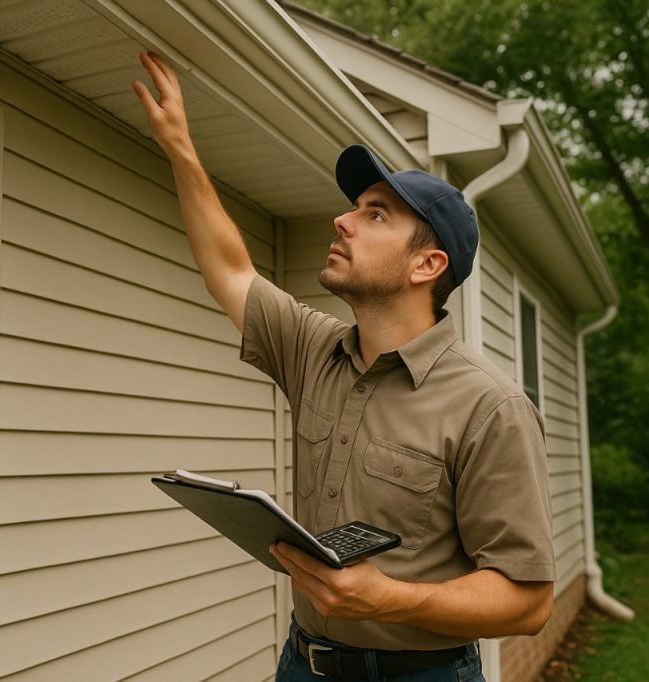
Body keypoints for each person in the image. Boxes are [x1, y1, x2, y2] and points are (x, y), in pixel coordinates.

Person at [133, 51, 555, 681]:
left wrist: (390, 598)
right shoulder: (312, 349)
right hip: (304, 664)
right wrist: (180, 148)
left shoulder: (489, 407)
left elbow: (529, 601)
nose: (343, 219)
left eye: (375, 214)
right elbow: (231, 269)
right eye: (355, 206)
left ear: (426, 266)